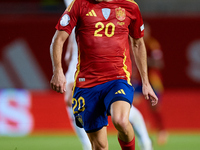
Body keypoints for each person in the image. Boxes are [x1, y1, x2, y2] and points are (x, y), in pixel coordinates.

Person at [50, 0, 158, 149]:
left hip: (117, 79)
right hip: (87, 84)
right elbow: (58, 39)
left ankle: (144, 142)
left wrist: (146, 83)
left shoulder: (130, 6)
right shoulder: (78, 5)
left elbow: (138, 44)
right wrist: (58, 71)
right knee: (100, 146)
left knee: (120, 120)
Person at [131, 22, 168, 145]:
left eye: (145, 31)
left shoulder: (153, 45)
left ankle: (161, 131)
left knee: (154, 106)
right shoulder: (133, 44)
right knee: (132, 103)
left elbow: (160, 63)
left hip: (152, 80)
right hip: (139, 80)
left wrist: (144, 61)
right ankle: (142, 127)